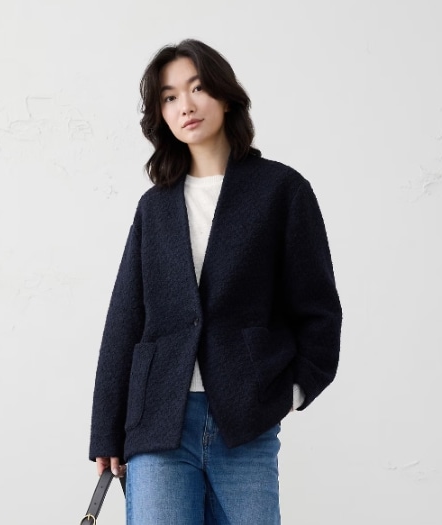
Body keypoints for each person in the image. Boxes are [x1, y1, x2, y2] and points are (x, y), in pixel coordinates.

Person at [89, 39, 342, 524]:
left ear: (225, 96)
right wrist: (106, 430)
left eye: (197, 88)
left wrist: (289, 394)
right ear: (160, 114)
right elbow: (125, 320)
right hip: (157, 423)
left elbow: (319, 310)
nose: (185, 105)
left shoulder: (282, 190)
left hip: (245, 423)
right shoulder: (154, 207)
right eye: (169, 97)